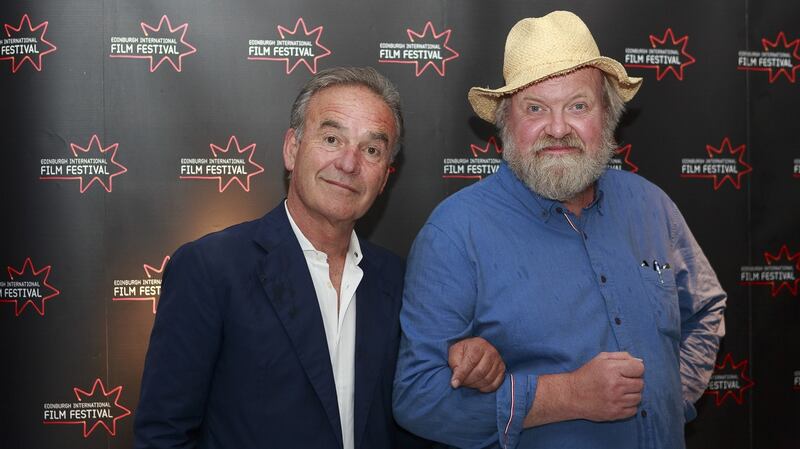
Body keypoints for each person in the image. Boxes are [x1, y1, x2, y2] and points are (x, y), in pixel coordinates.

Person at [393, 11, 727, 449]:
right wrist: (566, 396)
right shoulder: (456, 233)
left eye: (578, 106)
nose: (557, 128)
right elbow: (418, 399)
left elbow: (706, 310)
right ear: (505, 123)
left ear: (608, 114)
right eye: (535, 108)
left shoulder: (651, 205)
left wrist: (667, 404)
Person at [134, 66, 500, 449]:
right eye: (331, 138)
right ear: (292, 149)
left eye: (372, 149)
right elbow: (163, 435)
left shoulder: (398, 279)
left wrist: (467, 358)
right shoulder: (210, 269)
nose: (348, 163)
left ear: (385, 177)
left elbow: (416, 410)